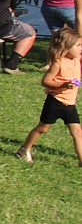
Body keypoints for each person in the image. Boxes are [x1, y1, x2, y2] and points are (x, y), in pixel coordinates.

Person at [15, 27, 82, 165]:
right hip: (55, 102)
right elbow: (45, 81)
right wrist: (63, 85)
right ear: (66, 47)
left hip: (70, 104)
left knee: (77, 132)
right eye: (78, 45)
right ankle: (24, 149)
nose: (81, 48)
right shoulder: (58, 64)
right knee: (42, 128)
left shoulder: (76, 60)